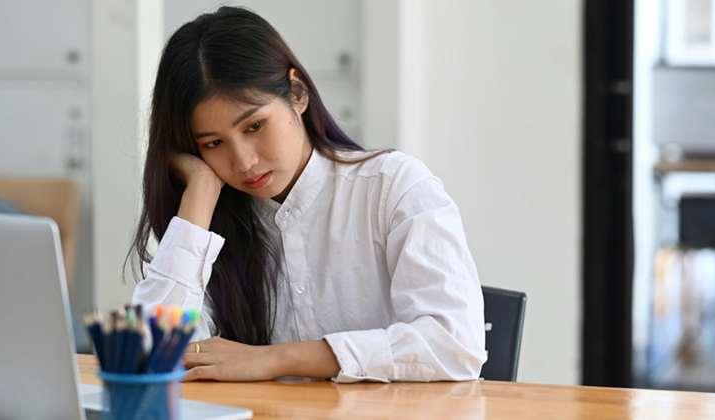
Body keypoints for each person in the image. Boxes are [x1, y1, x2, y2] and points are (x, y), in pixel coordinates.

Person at [130, 6, 485, 383]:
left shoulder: (392, 188)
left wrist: (276, 360)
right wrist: (198, 197)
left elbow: (454, 345)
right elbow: (149, 356)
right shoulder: (213, 220)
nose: (243, 162)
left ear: (297, 93)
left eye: (254, 126)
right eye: (214, 143)